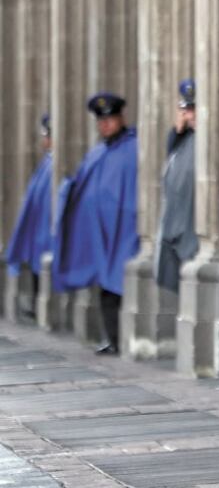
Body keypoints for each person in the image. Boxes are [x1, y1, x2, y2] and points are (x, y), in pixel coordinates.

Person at [52, 94, 139, 355]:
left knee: (120, 284)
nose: (105, 125)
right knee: (106, 287)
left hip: (126, 230)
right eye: (101, 121)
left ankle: (125, 339)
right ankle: (113, 339)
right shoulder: (97, 154)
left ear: (121, 118)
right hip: (101, 232)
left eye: (110, 119)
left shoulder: (134, 148)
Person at [5, 114, 54, 318]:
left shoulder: (53, 164)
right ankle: (36, 303)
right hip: (38, 229)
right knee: (36, 268)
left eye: (46, 136)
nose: (44, 141)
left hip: (46, 230)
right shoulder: (47, 163)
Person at [154, 78, 198, 293]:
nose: (190, 115)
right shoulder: (184, 138)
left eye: (194, 109)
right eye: (187, 109)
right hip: (178, 229)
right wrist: (177, 134)